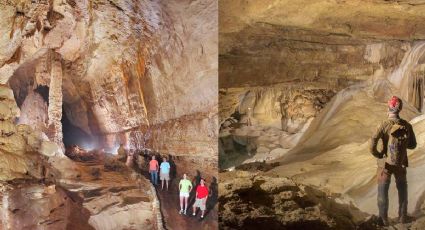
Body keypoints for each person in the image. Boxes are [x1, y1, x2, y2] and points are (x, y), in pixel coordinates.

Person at [370, 96, 417, 226]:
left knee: (382, 189)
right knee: (402, 188)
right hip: (401, 162)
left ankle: (383, 219)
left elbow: (372, 142)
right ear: (400, 108)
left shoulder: (384, 124)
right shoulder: (406, 125)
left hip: (385, 163)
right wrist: (401, 145)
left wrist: (377, 154)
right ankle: (402, 216)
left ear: (388, 107)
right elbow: (413, 145)